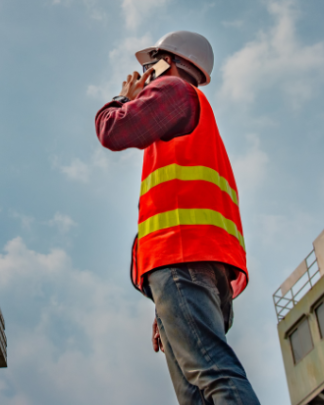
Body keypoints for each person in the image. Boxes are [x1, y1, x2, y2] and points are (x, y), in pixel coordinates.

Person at [94, 31, 260, 405]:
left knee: (213, 374)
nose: (145, 73)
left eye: (150, 64)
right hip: (196, 266)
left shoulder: (174, 91)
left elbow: (112, 130)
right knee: (197, 393)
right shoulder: (194, 115)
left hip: (181, 258)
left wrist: (124, 98)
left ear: (168, 61)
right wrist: (165, 308)